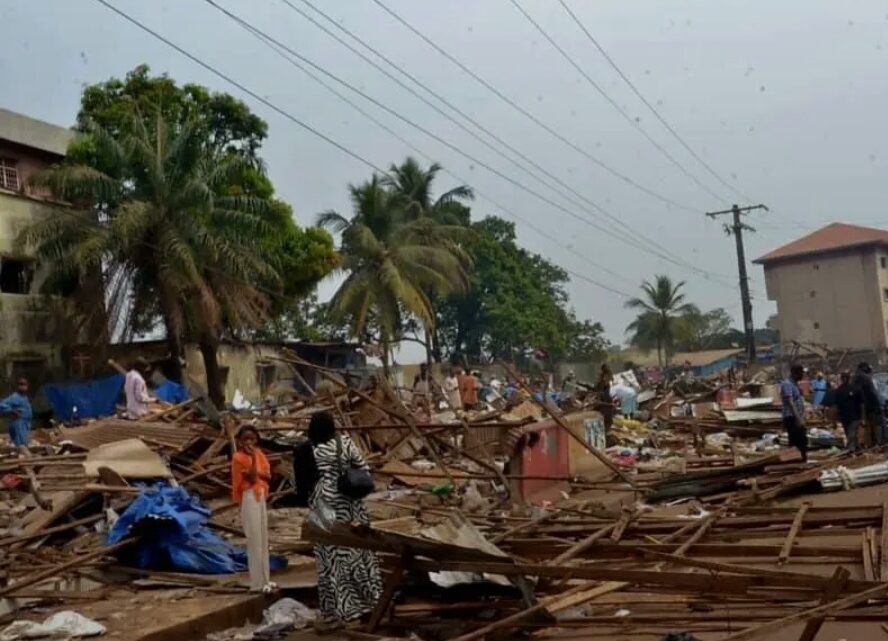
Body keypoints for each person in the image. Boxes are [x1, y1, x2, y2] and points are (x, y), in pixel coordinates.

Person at [304, 412, 382, 629]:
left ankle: (334, 612)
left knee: (329, 560)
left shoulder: (307, 449)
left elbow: (299, 483)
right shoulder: (345, 442)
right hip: (349, 505)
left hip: (322, 508)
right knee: (358, 554)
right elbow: (364, 469)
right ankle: (367, 603)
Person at [231, 425, 275, 593]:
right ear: (240, 441)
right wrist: (254, 461)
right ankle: (256, 582)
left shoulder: (259, 454)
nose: (249, 442)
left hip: (260, 494)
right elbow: (252, 476)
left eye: (252, 439)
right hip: (249, 495)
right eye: (245, 439)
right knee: (254, 539)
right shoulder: (238, 457)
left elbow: (268, 475)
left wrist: (256, 463)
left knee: (263, 538)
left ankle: (266, 579)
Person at [853, 362, 886, 447]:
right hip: (872, 405)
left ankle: (869, 443)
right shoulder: (867, 378)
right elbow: (873, 393)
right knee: (879, 423)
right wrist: (879, 405)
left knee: (867, 426)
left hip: (860, 407)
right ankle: (882, 442)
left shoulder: (854, 378)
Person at [781, 364, 808, 462]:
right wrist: (798, 419)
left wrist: (803, 416)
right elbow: (790, 402)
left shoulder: (795, 384)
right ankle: (795, 462)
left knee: (802, 441)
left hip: (796, 417)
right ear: (795, 373)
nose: (802, 375)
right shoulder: (787, 384)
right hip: (792, 417)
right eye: (801, 373)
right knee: (796, 442)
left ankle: (801, 461)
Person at [832, 371, 863, 451]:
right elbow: (835, 407)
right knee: (850, 434)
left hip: (854, 417)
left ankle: (851, 450)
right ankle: (857, 449)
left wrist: (863, 417)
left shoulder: (855, 389)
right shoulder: (839, 391)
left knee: (851, 434)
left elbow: (861, 404)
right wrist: (834, 420)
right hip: (846, 417)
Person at [0, 378, 32, 454]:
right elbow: (1, 405)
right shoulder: (14, 397)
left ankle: (24, 461)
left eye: (24, 384)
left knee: (23, 443)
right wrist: (11, 411)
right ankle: (30, 458)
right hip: (18, 423)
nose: (23, 386)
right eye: (21, 384)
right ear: (17, 386)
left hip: (25, 423)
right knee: (21, 444)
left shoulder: (25, 397)